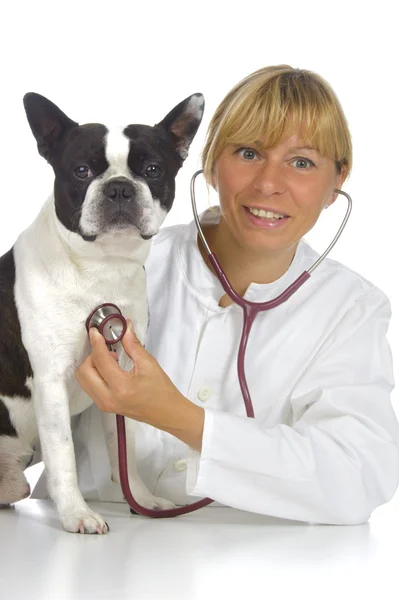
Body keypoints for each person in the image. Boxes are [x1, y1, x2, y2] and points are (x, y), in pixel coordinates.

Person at [32, 65, 399, 525]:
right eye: (248, 152)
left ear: (336, 182)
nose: (269, 183)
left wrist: (178, 416)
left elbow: (359, 477)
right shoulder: (103, 265)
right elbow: (24, 403)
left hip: (250, 572)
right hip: (62, 563)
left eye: (302, 162)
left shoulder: (352, 310)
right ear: (208, 163)